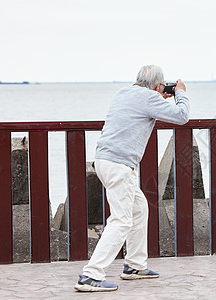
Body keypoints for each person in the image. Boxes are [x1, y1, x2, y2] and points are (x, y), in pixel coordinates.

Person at [74, 65, 190, 292]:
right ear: (158, 85)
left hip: (104, 161)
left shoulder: (123, 93)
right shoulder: (149, 98)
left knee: (139, 208)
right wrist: (181, 93)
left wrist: (159, 96)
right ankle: (90, 274)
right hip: (119, 166)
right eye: (162, 86)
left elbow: (143, 106)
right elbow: (182, 116)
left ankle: (135, 266)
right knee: (122, 220)